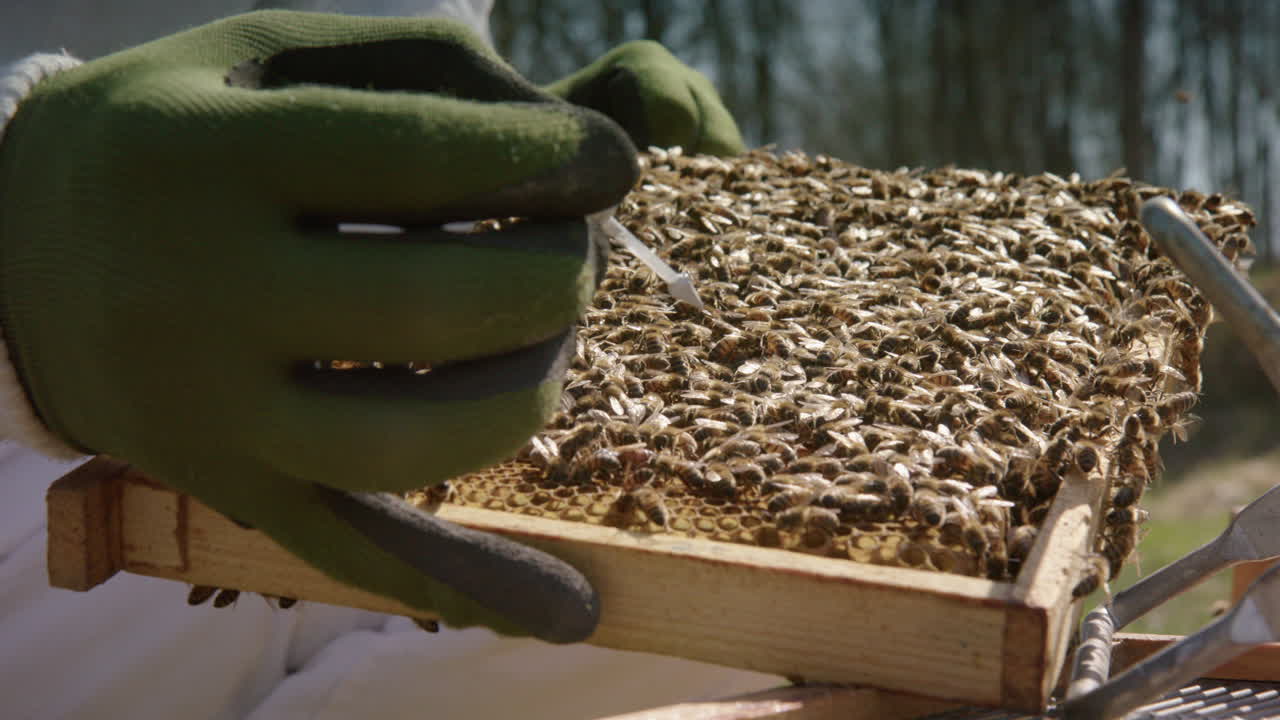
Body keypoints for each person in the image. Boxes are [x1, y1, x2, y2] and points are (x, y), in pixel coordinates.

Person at [0, 2, 777, 718]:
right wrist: (24, 241)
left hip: (453, 375)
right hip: (54, 475)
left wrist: (499, 144)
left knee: (754, 631)